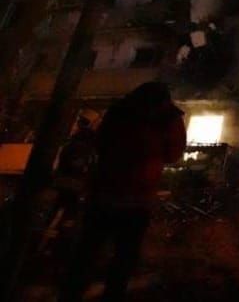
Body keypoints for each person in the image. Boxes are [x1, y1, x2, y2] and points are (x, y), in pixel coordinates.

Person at [61, 82, 186, 302]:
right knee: (124, 257)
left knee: (87, 252)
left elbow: (101, 143)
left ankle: (71, 294)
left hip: (105, 193)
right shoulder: (168, 117)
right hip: (137, 199)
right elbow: (173, 154)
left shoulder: (119, 111)